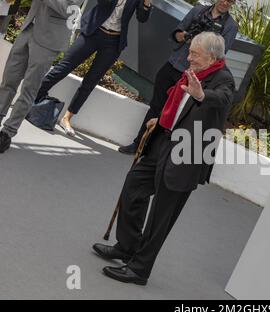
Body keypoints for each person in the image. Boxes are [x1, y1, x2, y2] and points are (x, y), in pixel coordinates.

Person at [93, 32, 235, 285]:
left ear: (212, 57)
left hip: (187, 154)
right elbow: (182, 105)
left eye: (194, 54)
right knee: (134, 187)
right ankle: (126, 247)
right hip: (164, 141)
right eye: (190, 51)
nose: (188, 57)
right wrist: (162, 119)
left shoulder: (223, 79)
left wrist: (201, 95)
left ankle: (139, 270)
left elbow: (222, 100)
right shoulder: (194, 71)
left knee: (160, 216)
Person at [118, 0, 238, 154]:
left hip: (193, 76)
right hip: (173, 65)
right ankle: (139, 145)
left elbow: (219, 55)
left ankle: (156, 153)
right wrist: (188, 36)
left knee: (175, 114)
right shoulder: (198, 11)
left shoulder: (230, 26)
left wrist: (204, 43)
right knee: (156, 107)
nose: (225, 2)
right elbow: (176, 35)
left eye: (230, 0)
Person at [35, 0, 152, 136]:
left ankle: (67, 118)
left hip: (114, 42)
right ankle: (33, 96)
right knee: (64, 67)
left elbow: (142, 18)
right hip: (93, 32)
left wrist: (147, 3)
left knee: (91, 81)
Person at [0, 0, 84, 154]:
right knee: (8, 80)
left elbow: (68, 9)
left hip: (49, 39)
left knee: (29, 88)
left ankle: (7, 133)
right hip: (28, 27)